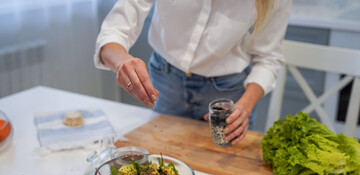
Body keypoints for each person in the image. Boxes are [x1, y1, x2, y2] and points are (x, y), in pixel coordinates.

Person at [94, 0, 292, 145]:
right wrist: (122, 62)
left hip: (226, 93)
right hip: (165, 81)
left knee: (225, 173)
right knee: (163, 159)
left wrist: (245, 108)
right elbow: (115, 29)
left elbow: (268, 58)